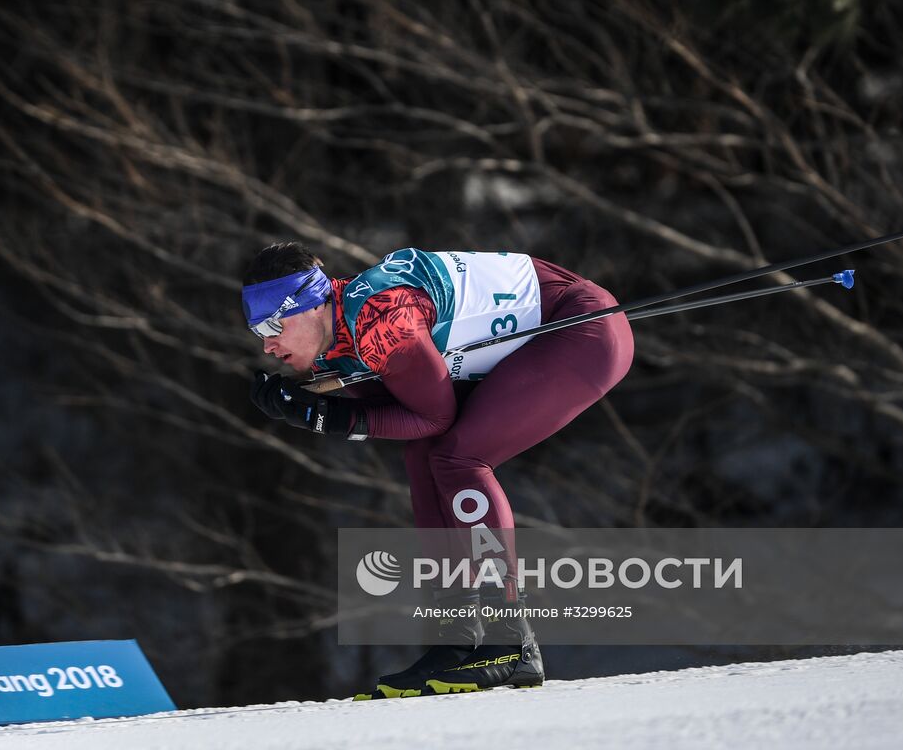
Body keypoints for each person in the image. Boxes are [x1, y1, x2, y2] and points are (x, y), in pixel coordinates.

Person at [242, 243, 634, 698]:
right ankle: (457, 639)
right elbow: (407, 420)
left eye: (273, 325)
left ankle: (513, 642)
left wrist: (322, 415)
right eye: (257, 332)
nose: (267, 344)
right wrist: (312, 408)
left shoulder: (379, 316)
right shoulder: (340, 338)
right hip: (544, 332)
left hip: (582, 329)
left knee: (458, 456)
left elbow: (433, 416)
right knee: (424, 456)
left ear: (311, 306)